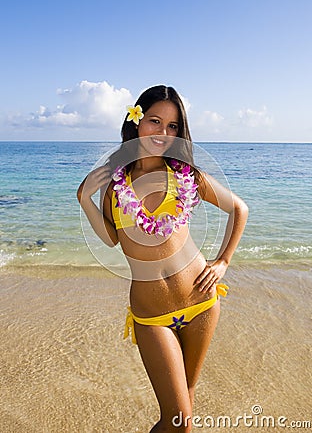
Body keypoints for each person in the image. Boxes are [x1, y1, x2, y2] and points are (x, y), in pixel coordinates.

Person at [77, 85, 248, 433]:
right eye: (155, 121)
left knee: (185, 406)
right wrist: (84, 199)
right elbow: (112, 239)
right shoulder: (115, 185)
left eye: (172, 126)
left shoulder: (186, 176)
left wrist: (223, 261)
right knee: (180, 421)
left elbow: (239, 209)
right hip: (152, 315)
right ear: (136, 122)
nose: (163, 132)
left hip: (202, 302)